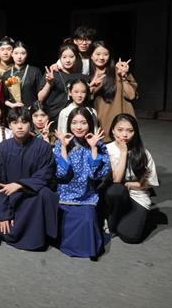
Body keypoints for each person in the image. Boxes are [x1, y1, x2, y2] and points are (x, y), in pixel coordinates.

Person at [0, 107, 58, 251]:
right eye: (15, 122)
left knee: (45, 194)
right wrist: (3, 215)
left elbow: (46, 174)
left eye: (24, 122)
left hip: (33, 195)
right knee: (7, 232)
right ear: (9, 125)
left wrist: (20, 184)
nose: (20, 126)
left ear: (30, 124)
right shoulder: (3, 148)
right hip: (11, 198)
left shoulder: (43, 147)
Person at [54, 107, 110, 259]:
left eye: (83, 123)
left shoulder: (99, 145)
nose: (78, 127)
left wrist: (93, 148)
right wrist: (64, 147)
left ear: (90, 124)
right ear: (69, 125)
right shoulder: (61, 143)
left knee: (87, 221)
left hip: (86, 197)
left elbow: (95, 175)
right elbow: (61, 174)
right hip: (64, 196)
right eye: (74, 123)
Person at [105, 114, 159, 243]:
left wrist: (131, 185)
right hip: (115, 195)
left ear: (135, 132)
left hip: (138, 195)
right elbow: (116, 180)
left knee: (130, 236)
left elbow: (149, 182)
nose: (124, 134)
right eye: (120, 130)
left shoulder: (143, 153)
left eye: (130, 130)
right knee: (116, 190)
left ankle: (129, 214)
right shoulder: (107, 150)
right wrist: (123, 153)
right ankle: (112, 220)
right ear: (113, 130)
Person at [89, 41, 138, 140]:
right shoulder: (86, 74)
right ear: (91, 56)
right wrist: (92, 87)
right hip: (99, 123)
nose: (101, 57)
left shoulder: (118, 71)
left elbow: (131, 96)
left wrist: (123, 77)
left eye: (105, 54)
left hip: (120, 123)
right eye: (98, 54)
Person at [38, 43, 90, 128]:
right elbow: (40, 98)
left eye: (71, 56)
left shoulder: (82, 77)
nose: (68, 60)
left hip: (75, 121)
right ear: (60, 58)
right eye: (64, 57)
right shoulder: (52, 74)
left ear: (77, 57)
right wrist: (49, 83)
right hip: (53, 118)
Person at [1, 41, 44, 109]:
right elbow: (4, 97)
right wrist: (12, 105)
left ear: (27, 54)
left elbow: (41, 94)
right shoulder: (7, 75)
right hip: (13, 111)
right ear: (12, 54)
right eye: (16, 53)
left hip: (31, 110)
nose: (19, 57)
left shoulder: (35, 71)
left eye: (23, 53)